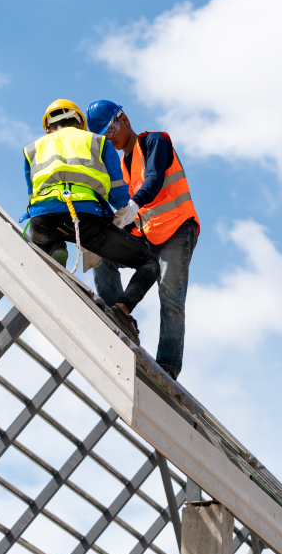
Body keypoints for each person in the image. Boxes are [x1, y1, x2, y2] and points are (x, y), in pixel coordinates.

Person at [22, 99, 158, 342]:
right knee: (149, 263)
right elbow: (118, 192)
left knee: (41, 229)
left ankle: (54, 248)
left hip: (43, 215)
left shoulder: (32, 148)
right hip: (86, 218)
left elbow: (32, 192)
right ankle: (122, 310)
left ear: (48, 127)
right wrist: (124, 213)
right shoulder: (98, 142)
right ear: (81, 124)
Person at [85, 100, 199, 379]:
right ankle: (119, 317)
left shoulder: (154, 142)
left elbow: (155, 178)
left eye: (110, 132)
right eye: (105, 138)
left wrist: (134, 205)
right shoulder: (122, 165)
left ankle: (168, 369)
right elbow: (132, 210)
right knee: (102, 257)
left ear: (123, 119)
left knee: (170, 297)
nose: (110, 140)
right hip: (148, 234)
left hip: (177, 230)